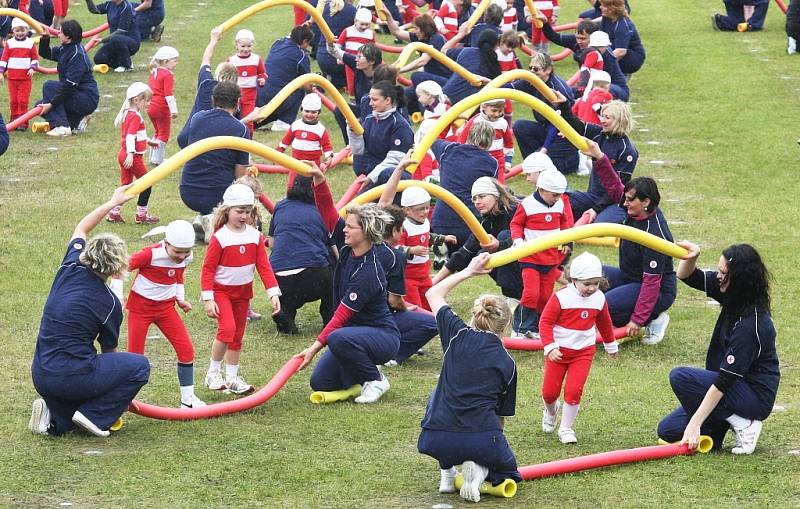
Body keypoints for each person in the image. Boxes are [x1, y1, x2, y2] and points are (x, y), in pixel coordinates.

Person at [28, 186, 150, 437]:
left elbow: (82, 228)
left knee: (69, 415)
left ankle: (53, 420)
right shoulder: (109, 303)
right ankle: (96, 417)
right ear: (117, 269)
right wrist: (119, 396)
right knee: (139, 366)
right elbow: (110, 353)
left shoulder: (69, 268)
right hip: (71, 377)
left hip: (41, 373)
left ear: (87, 254)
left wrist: (112, 202)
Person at [657, 241, 780, 455]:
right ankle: (720, 427)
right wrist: (692, 256)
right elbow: (687, 276)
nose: (718, 275)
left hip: (752, 397)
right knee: (668, 430)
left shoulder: (751, 325)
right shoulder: (732, 293)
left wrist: (695, 423)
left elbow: (724, 380)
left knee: (681, 377)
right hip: (732, 391)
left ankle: (745, 423)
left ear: (739, 279)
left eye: (723, 272)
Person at [419, 252, 522, 503]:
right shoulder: (507, 363)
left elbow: (432, 293)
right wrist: (491, 450)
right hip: (480, 440)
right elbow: (499, 420)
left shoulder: (456, 334)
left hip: (433, 438)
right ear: (505, 326)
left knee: (441, 392)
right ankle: (480, 470)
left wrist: (468, 271)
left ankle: (447, 473)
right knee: (509, 470)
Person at [294, 202, 401, 404]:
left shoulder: (368, 272)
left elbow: (341, 316)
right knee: (321, 381)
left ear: (367, 231)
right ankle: (364, 371)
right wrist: (318, 180)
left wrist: (313, 348)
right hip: (352, 336)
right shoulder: (346, 250)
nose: (345, 229)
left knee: (336, 337)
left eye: (350, 227)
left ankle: (375, 379)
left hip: (382, 338)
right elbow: (328, 215)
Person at [580, 139, 675, 345]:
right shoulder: (637, 209)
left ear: (646, 202)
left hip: (656, 289)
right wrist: (599, 157)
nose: (625, 203)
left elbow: (651, 283)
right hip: (630, 277)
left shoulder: (654, 235)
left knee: (603, 306)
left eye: (631, 200)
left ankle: (653, 318)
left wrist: (637, 319)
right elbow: (616, 188)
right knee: (588, 274)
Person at [201, 184, 282, 395]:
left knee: (237, 336)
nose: (244, 216)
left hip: (243, 294)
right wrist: (208, 298)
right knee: (227, 330)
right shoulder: (220, 238)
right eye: (239, 211)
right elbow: (208, 269)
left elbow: (264, 266)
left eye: (248, 211)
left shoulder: (255, 236)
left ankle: (232, 377)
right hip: (222, 293)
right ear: (227, 211)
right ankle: (212, 373)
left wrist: (273, 292)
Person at [539, 252, 618, 444]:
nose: (591, 288)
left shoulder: (599, 299)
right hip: (558, 352)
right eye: (587, 284)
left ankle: (566, 428)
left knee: (574, 391)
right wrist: (550, 346)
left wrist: (610, 344)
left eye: (596, 283)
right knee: (549, 393)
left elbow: (605, 323)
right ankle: (551, 411)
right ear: (573, 279)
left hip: (583, 352)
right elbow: (545, 322)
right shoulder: (561, 297)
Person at [125, 220, 205, 409]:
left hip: (166, 309)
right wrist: (116, 294)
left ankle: (188, 400)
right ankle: (121, 401)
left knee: (186, 351)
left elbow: (178, 276)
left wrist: (180, 299)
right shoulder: (149, 254)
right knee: (135, 359)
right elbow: (121, 268)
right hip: (140, 310)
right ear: (166, 243)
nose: (182, 256)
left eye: (186, 251)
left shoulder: (187, 256)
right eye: (177, 252)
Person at [432, 176, 522, 315]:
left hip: (537, 260)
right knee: (482, 255)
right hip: (519, 268)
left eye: (481, 196)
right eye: (474, 199)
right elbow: (463, 254)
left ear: (496, 195)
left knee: (504, 236)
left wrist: (501, 244)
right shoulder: (484, 220)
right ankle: (515, 296)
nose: (477, 202)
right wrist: (432, 284)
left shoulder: (517, 210)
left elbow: (529, 238)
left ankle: (518, 297)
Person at [179, 81, 251, 242]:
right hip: (217, 195)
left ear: (213, 99)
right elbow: (240, 176)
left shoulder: (198, 118)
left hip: (188, 190)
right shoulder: (241, 130)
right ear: (238, 102)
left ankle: (203, 217)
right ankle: (213, 219)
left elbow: (183, 140)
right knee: (244, 189)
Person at [268, 175, 334, 335]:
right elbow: (333, 245)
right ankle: (330, 318)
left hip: (277, 279)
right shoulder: (322, 210)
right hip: (313, 277)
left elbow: (271, 242)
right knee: (334, 266)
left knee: (290, 294)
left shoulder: (280, 206)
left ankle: (285, 311)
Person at [510, 168, 573, 337]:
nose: (558, 198)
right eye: (554, 195)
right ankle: (520, 328)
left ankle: (537, 327)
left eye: (560, 195)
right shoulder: (527, 205)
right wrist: (518, 240)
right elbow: (516, 224)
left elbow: (565, 223)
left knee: (545, 296)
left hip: (551, 259)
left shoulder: (559, 204)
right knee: (531, 294)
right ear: (542, 189)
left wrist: (568, 241)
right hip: (530, 258)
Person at [556, 97, 637, 222]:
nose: (603, 121)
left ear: (620, 120)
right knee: (560, 201)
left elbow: (618, 190)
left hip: (613, 202)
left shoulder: (628, 151)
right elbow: (576, 126)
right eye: (603, 116)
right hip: (593, 197)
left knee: (600, 224)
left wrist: (596, 209)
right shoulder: (599, 133)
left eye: (607, 118)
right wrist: (564, 104)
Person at [430, 121, 499, 250]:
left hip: (440, 222)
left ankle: (442, 254)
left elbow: (432, 137)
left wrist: (451, 121)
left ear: (468, 135)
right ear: (490, 142)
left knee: (448, 256)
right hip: (471, 225)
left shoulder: (448, 150)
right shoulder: (491, 163)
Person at [508, 51, 577, 174]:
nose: (532, 72)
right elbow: (507, 88)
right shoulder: (532, 81)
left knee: (553, 170)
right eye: (530, 68)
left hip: (564, 135)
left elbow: (556, 124)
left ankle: (571, 161)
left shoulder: (557, 90)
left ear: (548, 69)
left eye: (535, 68)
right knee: (520, 126)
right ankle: (532, 167)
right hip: (546, 128)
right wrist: (488, 84)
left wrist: (544, 149)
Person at [537, 16, 629, 101]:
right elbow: (554, 37)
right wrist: (545, 23)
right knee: (564, 92)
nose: (579, 41)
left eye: (583, 38)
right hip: (592, 84)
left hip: (614, 88)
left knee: (589, 91)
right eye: (577, 38)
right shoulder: (577, 41)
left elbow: (602, 82)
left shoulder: (603, 53)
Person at [176, 27, 237, 149]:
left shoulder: (206, 83)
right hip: (206, 143)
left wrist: (213, 40)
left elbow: (206, 60)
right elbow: (236, 126)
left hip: (186, 136)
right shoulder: (233, 98)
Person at [36, 20, 100, 136]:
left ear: (68, 37)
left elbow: (69, 87)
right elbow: (46, 53)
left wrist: (51, 105)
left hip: (86, 98)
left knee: (49, 86)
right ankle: (77, 121)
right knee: (39, 105)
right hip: (74, 96)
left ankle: (62, 126)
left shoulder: (77, 55)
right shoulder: (65, 48)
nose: (58, 34)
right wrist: (45, 39)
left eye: (61, 33)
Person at [107, 82, 159, 224]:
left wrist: (148, 141)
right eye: (146, 100)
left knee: (126, 185)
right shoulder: (135, 116)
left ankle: (114, 213)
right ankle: (141, 215)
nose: (149, 103)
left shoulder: (127, 113)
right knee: (147, 183)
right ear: (136, 100)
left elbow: (135, 135)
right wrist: (131, 154)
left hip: (123, 154)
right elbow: (130, 136)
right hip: (132, 156)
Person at [255, 25, 314, 132]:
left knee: (255, 121)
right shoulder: (301, 56)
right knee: (299, 90)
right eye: (308, 43)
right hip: (272, 97)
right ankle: (283, 122)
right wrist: (313, 90)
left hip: (257, 89)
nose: (308, 46)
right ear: (305, 40)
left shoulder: (278, 43)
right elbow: (307, 85)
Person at [350, 80, 414, 179]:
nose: (370, 103)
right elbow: (358, 151)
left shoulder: (400, 125)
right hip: (370, 173)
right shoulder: (369, 119)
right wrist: (353, 133)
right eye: (370, 99)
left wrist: (371, 178)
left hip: (390, 177)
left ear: (388, 100)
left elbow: (395, 160)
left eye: (374, 100)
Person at [325, 40, 382, 144]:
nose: (356, 59)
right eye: (357, 56)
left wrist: (361, 120)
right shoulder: (358, 66)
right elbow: (334, 52)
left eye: (360, 57)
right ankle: (350, 145)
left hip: (379, 114)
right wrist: (329, 41)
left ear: (372, 61)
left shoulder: (382, 77)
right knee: (340, 109)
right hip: (362, 109)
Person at [455, 100, 514, 181]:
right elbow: (461, 141)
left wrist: (508, 162)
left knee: (499, 184)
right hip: (476, 158)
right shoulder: (475, 121)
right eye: (494, 110)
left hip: (497, 161)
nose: (497, 114)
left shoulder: (503, 123)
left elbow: (509, 144)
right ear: (484, 107)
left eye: (500, 111)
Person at [276, 94, 334, 177]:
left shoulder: (321, 129)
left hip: (313, 164)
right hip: (295, 163)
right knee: (292, 185)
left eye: (313, 112)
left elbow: (327, 146)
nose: (310, 114)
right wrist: (279, 150)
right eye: (307, 111)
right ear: (301, 110)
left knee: (312, 185)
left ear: (319, 112)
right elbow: (286, 140)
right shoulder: (296, 125)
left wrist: (329, 158)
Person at [441, 26, 501, 105]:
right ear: (496, 44)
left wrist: (460, 35)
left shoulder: (466, 51)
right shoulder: (492, 62)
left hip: (446, 94)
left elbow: (443, 51)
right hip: (467, 104)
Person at [0, 17, 39, 131]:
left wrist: (32, 67)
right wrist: (1, 72)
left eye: (22, 30)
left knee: (23, 100)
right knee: (13, 101)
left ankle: (23, 122)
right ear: (13, 31)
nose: (20, 33)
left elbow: (35, 59)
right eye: (17, 30)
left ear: (27, 30)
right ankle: (14, 120)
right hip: (12, 78)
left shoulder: (30, 43)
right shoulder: (10, 43)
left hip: (25, 79)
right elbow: (4, 59)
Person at [85, 0, 141, 73]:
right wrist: (88, 1)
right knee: (99, 59)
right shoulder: (109, 4)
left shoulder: (126, 8)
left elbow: (121, 31)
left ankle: (126, 65)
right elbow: (94, 10)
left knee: (116, 38)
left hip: (131, 42)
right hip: (114, 41)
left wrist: (103, 40)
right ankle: (122, 62)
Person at [227, 28, 265, 135]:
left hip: (250, 95)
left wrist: (261, 79)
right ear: (236, 45)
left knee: (249, 119)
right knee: (232, 118)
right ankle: (232, 138)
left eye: (249, 46)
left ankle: (248, 142)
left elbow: (262, 73)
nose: (246, 49)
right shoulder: (231, 60)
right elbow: (226, 74)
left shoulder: (257, 59)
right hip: (234, 94)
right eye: (243, 46)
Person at [146, 45, 179, 167]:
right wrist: (174, 110)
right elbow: (168, 95)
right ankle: (157, 160)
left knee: (157, 132)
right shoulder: (168, 75)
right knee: (164, 134)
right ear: (165, 61)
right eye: (175, 61)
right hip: (161, 108)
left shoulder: (154, 71)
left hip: (151, 106)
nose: (176, 63)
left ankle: (152, 157)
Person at [313, 0, 356, 91]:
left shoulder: (324, 8)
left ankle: (330, 79)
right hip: (340, 60)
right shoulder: (352, 11)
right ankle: (340, 83)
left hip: (321, 57)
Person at [599, 0, 645, 75]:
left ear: (612, 8)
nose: (600, 7)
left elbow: (620, 52)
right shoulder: (606, 18)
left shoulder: (622, 25)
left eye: (603, 6)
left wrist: (600, 62)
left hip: (632, 59)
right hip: (617, 51)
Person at [337, 8, 376, 97]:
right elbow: (338, 44)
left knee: (364, 82)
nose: (364, 27)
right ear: (355, 21)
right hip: (350, 61)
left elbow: (373, 49)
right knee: (351, 83)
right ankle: (352, 98)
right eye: (362, 24)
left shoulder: (370, 34)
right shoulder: (348, 31)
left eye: (367, 25)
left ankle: (363, 97)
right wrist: (338, 57)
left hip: (364, 62)